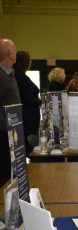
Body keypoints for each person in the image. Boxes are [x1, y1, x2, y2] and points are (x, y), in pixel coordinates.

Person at [0, 38, 20, 188]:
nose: (16, 53)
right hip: (4, 137)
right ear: (9, 53)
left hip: (13, 134)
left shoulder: (9, 74)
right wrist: (7, 127)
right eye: (14, 50)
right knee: (5, 175)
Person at [13, 51, 41, 154]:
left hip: (27, 116)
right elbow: (29, 100)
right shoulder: (22, 78)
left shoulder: (17, 76)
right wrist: (41, 101)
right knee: (30, 147)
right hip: (28, 118)